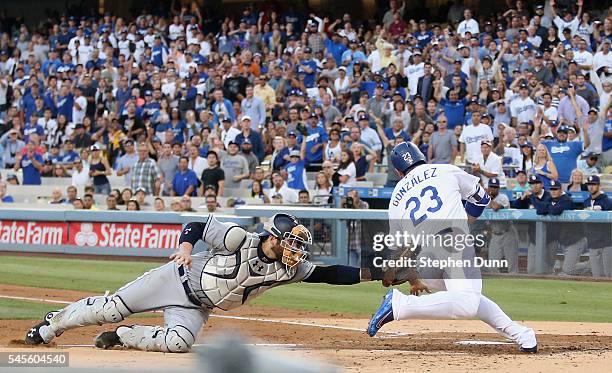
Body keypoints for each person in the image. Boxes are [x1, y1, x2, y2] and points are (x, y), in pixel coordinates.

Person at [25, 213, 372, 352]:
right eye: (291, 243)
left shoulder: (287, 270)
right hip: (174, 279)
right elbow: (196, 225)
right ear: (272, 237)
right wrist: (185, 248)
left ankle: (124, 337)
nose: (295, 251)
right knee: (111, 307)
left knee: (178, 344)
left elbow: (330, 274)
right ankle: (52, 324)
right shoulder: (240, 239)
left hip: (197, 307)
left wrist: (370, 274)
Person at [367, 142, 537, 353]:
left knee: (469, 298)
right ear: (422, 157)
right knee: (467, 302)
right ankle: (400, 305)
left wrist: (411, 278)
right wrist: (467, 218)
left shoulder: (395, 197)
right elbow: (482, 198)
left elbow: (399, 247)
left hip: (425, 258)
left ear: (398, 171)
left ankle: (521, 334)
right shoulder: (444, 169)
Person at [485, 178, 518, 274]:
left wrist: (487, 198)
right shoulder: (485, 199)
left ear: (499, 188)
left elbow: (495, 207)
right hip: (495, 235)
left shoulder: (503, 197)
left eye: (495, 187)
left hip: (508, 233)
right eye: (491, 187)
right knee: (492, 267)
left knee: (512, 266)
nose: (493, 189)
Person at [583, 175, 612, 278]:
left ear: (599, 186)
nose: (591, 187)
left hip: (607, 242)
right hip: (593, 242)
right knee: (596, 275)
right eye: (589, 184)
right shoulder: (586, 202)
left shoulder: (607, 201)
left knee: (609, 274)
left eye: (593, 184)